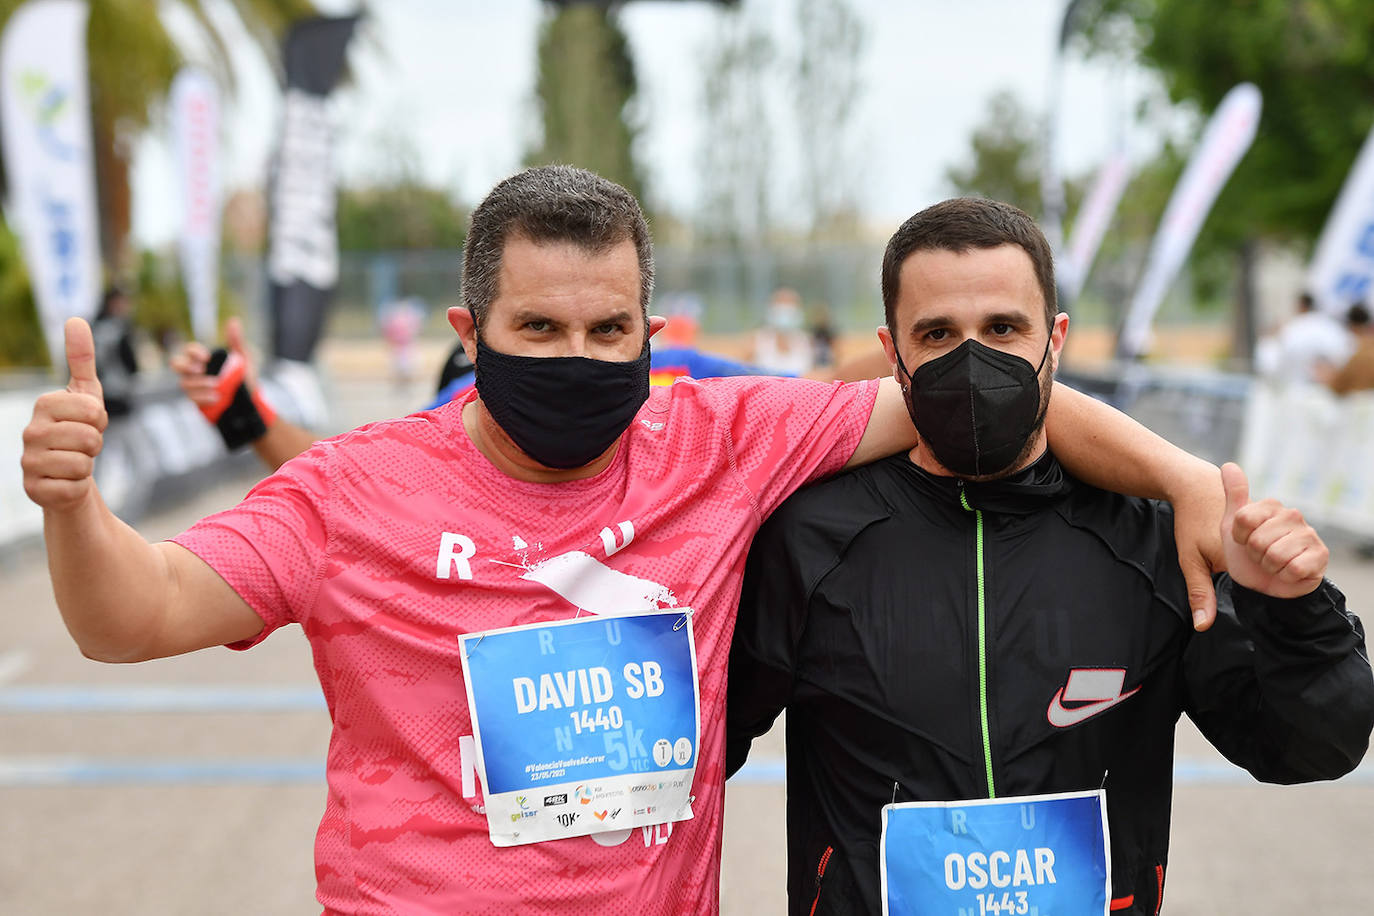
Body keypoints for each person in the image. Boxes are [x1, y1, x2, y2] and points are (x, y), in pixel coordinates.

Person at [25, 166, 1227, 915]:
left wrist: (1180, 477)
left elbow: (981, 388)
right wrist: (76, 508)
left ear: (653, 329)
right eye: (537, 326)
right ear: (469, 328)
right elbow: (140, 613)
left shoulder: (725, 437)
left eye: (609, 329)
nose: (577, 356)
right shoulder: (353, 488)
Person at [725, 198, 1374, 916]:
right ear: (893, 354)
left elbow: (1312, 749)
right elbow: (701, 752)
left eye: (1003, 327)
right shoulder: (811, 541)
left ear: (1054, 340)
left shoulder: (1150, 542)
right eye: (938, 333)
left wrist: (1291, 609)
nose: (973, 358)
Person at [1255, 291, 1354, 385]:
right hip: (1331, 394)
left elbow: (1270, 365)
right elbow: (1347, 355)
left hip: (1295, 393)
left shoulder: (1293, 329)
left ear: (1301, 306)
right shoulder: (1332, 327)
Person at [90, 285, 139, 418]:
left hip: (98, 393)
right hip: (115, 391)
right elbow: (129, 361)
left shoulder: (94, 326)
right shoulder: (115, 329)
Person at [751, 287, 815, 375]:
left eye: (790, 304)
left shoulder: (806, 341)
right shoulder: (756, 340)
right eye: (780, 303)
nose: (785, 309)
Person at [1326, 302, 1374, 395]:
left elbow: (1337, 384)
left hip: (1351, 400)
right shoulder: (1367, 345)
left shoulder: (1347, 346)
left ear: (1350, 324)